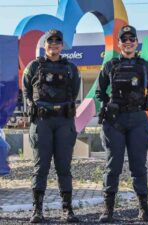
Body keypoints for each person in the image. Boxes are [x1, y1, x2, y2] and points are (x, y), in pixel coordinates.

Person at [96, 25, 148, 223]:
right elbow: (99, 92)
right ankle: (108, 210)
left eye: (132, 38)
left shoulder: (145, 66)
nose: (128, 42)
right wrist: (110, 104)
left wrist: (141, 105)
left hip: (138, 121)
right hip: (115, 122)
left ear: (136, 42)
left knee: (138, 166)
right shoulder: (110, 65)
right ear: (119, 43)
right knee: (112, 166)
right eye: (124, 39)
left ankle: (144, 209)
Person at [23, 29, 81, 223]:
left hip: (64, 122)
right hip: (42, 122)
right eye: (50, 41)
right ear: (44, 44)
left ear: (62, 45)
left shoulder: (71, 68)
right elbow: (27, 92)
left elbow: (74, 92)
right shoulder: (33, 67)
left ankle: (67, 210)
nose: (54, 44)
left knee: (64, 167)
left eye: (58, 41)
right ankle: (37, 210)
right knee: (40, 168)